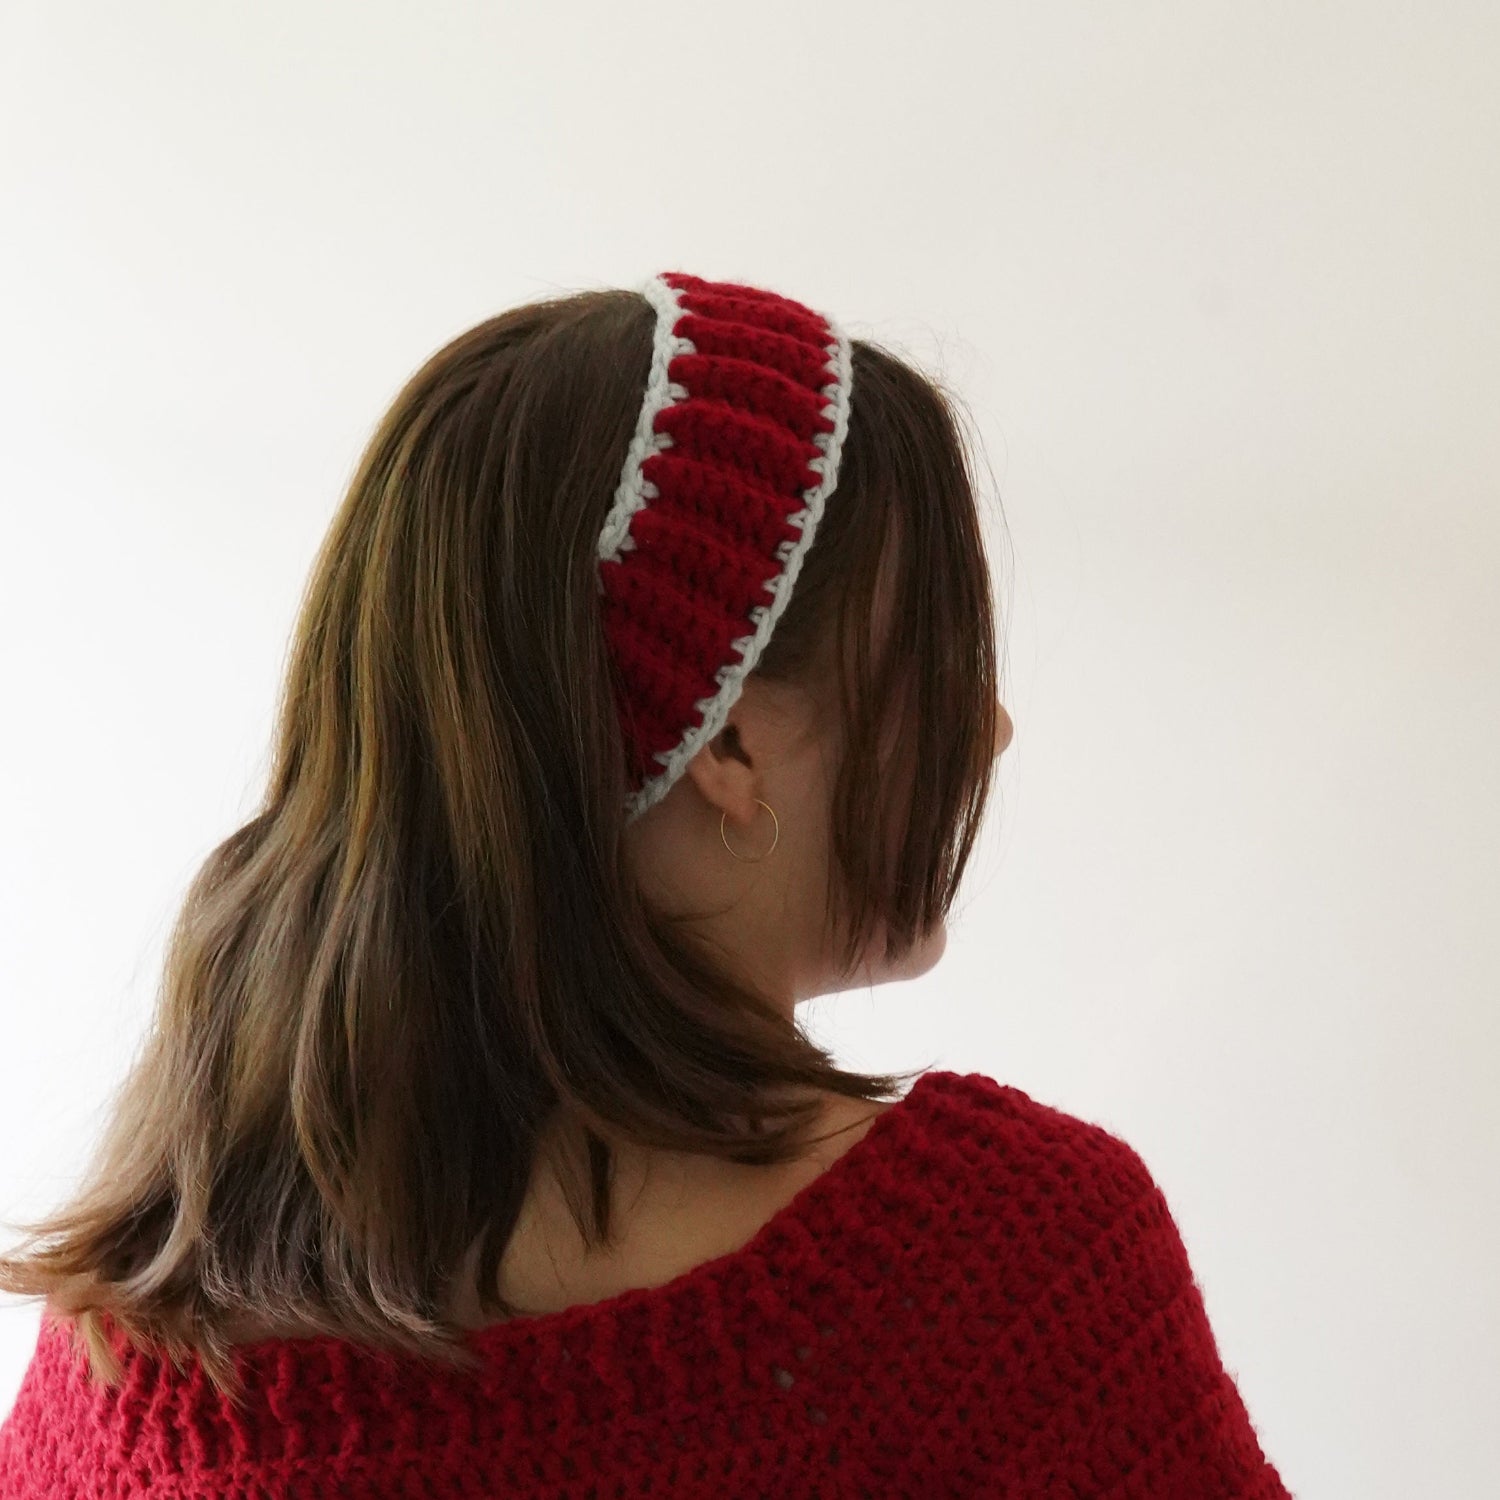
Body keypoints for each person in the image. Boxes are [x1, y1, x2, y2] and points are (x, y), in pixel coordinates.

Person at [0, 271, 1290, 1496]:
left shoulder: (136, 1335)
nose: (991, 727)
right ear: (730, 737)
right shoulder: (999, 1286)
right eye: (943, 659)